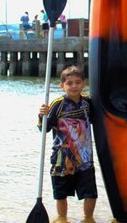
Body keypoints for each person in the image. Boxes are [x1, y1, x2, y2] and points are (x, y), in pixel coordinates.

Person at [38, 66, 97, 221]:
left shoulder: (88, 103)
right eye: (69, 83)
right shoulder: (57, 104)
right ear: (62, 85)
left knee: (90, 192)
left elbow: (100, 123)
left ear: (83, 83)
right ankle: (62, 218)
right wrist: (41, 116)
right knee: (61, 193)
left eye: (77, 82)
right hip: (62, 158)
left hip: (84, 158)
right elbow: (44, 129)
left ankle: (88, 218)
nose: (74, 86)